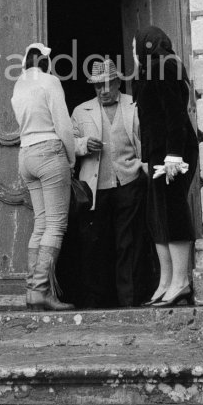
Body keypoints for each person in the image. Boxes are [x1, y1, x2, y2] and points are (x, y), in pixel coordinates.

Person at [71, 59, 147, 308]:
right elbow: (67, 143)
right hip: (95, 188)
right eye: (97, 87)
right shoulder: (81, 111)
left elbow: (146, 139)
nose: (103, 91)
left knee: (128, 243)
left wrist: (143, 166)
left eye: (107, 85)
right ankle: (95, 302)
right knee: (95, 245)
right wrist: (83, 145)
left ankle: (129, 301)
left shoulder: (133, 105)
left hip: (129, 181)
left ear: (117, 83)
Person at [133, 26, 199, 307]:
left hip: (174, 152)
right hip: (158, 153)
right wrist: (149, 156)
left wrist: (174, 156)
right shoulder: (151, 70)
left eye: (135, 46)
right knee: (157, 216)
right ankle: (166, 282)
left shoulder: (165, 67)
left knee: (172, 212)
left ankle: (181, 282)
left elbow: (174, 115)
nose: (134, 51)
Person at [11, 42, 75, 311]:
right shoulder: (50, 82)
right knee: (56, 226)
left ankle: (32, 290)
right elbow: (63, 124)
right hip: (49, 151)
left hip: (25, 154)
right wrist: (70, 157)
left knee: (41, 223)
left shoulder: (19, 85)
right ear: (46, 62)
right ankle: (40, 290)